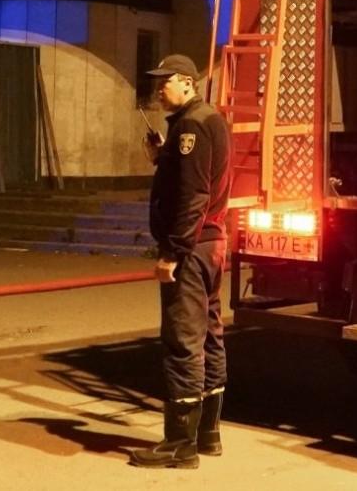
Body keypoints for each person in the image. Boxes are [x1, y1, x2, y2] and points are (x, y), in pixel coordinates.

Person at [129, 54, 231, 469]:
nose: (159, 88)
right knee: (209, 334)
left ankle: (179, 444)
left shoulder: (191, 125)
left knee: (182, 341)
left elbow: (193, 195)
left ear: (187, 82)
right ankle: (208, 433)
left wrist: (172, 252)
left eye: (165, 81)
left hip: (191, 248)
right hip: (211, 244)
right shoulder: (209, 119)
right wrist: (162, 157)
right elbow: (197, 178)